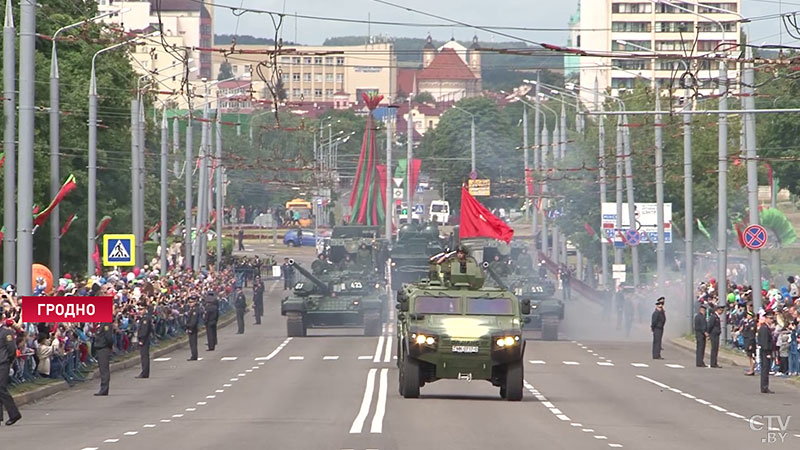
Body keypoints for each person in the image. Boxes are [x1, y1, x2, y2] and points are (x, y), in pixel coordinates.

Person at [0, 319, 21, 426]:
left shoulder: (6, 332)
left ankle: (14, 414)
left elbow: (12, 350)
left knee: (1, 388)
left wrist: (9, 361)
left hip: (2, 364)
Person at [94, 320, 114, 396]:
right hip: (100, 348)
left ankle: (104, 389)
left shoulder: (106, 323)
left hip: (104, 348)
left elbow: (108, 337)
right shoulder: (101, 323)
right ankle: (103, 388)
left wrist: (108, 346)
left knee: (104, 369)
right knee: (102, 369)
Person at [758, 311, 775, 393]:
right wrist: (768, 353)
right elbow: (765, 342)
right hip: (765, 352)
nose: (772, 320)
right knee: (765, 369)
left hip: (766, 351)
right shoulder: (764, 328)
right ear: (766, 318)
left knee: (766, 369)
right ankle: (764, 387)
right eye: (770, 318)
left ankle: (764, 386)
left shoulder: (766, 327)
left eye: (772, 318)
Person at [135, 304, 152, 378]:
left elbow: (144, 331)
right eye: (139, 310)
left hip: (144, 340)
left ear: (145, 309)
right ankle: (144, 372)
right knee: (143, 356)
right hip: (144, 339)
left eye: (141, 309)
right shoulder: (143, 318)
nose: (140, 311)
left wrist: (141, 339)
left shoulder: (146, 318)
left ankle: (145, 373)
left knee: (144, 356)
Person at [707, 303, 724, 368]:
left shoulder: (717, 317)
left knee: (715, 349)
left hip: (716, 334)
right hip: (713, 335)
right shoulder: (714, 317)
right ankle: (713, 363)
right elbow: (710, 325)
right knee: (714, 349)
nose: (722, 312)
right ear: (718, 310)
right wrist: (708, 333)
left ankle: (714, 362)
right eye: (721, 310)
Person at [185, 296, 200, 361]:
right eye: (189, 302)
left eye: (191, 302)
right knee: (191, 343)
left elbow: (193, 321)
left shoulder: (195, 310)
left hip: (193, 329)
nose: (190, 303)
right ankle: (193, 355)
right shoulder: (191, 309)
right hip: (190, 328)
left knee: (193, 343)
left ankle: (194, 356)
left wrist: (189, 327)